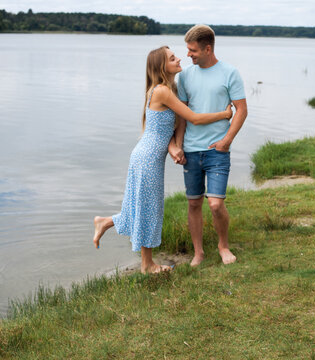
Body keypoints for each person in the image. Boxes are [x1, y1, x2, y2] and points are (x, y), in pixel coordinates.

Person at [92, 46, 232, 274]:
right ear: (161, 66)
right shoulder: (162, 92)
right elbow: (193, 118)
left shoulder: (167, 89)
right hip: (147, 158)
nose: (179, 59)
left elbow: (172, 125)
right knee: (149, 208)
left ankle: (106, 222)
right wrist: (224, 114)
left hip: (147, 156)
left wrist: (174, 146)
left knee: (144, 207)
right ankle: (146, 264)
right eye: (172, 58)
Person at [168, 25, 248, 267]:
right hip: (191, 150)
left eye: (192, 50)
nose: (188, 55)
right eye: (188, 50)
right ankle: (198, 252)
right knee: (194, 202)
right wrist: (179, 146)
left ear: (207, 48)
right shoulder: (184, 77)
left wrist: (226, 141)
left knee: (215, 204)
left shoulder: (229, 73)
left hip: (217, 150)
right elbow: (182, 116)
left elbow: (241, 110)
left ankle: (223, 245)